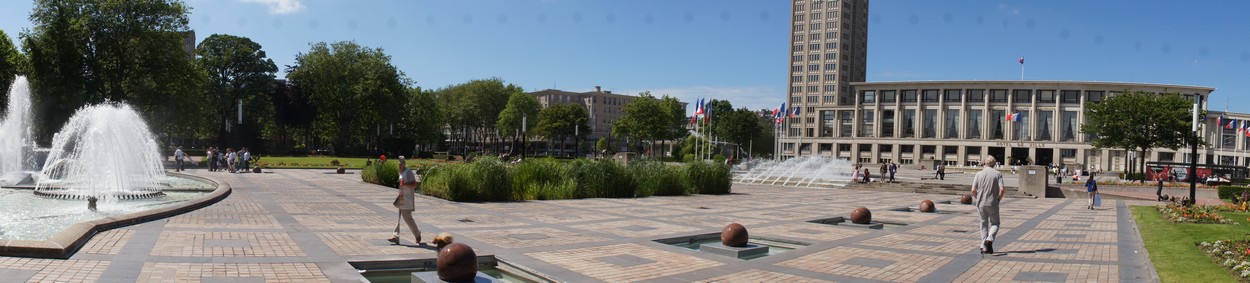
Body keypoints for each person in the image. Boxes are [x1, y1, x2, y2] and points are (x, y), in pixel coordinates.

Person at [971, 155, 1005, 255]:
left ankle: (983, 246)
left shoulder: (978, 174)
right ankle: (989, 240)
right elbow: (1002, 189)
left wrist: (977, 198)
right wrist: (998, 199)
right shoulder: (997, 174)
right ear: (994, 164)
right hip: (993, 202)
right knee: (995, 223)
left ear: (985, 163)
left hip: (981, 202)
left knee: (983, 224)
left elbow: (973, 189)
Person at [389, 157, 423, 245]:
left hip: (408, 199)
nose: (399, 165)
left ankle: (417, 234)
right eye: (398, 164)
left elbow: (414, 184)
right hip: (402, 197)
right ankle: (395, 236)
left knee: (407, 218)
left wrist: (405, 184)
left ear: (404, 164)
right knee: (399, 217)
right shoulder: (401, 172)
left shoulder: (409, 172)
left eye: (401, 164)